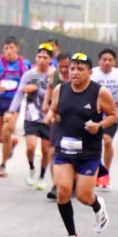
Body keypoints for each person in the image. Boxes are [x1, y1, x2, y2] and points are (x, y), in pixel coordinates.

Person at [44, 53, 117, 237]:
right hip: (64, 149)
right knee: (63, 191)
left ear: (89, 72)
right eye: (72, 68)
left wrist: (99, 125)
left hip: (88, 153)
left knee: (84, 196)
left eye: (80, 69)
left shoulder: (99, 92)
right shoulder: (61, 89)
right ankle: (72, 236)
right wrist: (50, 115)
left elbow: (112, 115)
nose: (74, 72)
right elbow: (53, 109)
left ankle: (97, 205)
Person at [0, 36, 31, 177]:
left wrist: (28, 89)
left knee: (6, 132)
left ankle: (3, 165)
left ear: (17, 48)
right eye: (6, 48)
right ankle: (12, 143)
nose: (9, 51)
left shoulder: (25, 64)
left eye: (11, 48)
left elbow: (33, 80)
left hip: (14, 103)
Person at [8, 43, 53, 190]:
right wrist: (11, 111)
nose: (42, 60)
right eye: (40, 57)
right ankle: (32, 167)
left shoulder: (53, 75)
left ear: (50, 60)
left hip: (48, 117)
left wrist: (37, 89)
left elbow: (55, 95)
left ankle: (42, 176)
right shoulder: (29, 74)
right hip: (31, 117)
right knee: (31, 146)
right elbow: (19, 93)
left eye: (45, 57)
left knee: (46, 150)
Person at [91, 48, 118, 189]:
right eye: (104, 59)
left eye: (110, 60)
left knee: (107, 141)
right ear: (99, 61)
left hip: (112, 115)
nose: (107, 62)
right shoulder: (92, 73)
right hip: (93, 116)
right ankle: (94, 172)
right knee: (93, 145)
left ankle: (105, 174)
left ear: (115, 62)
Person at [43, 52, 72, 200]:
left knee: (73, 152)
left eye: (67, 66)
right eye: (61, 66)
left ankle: (73, 181)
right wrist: (46, 105)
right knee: (53, 151)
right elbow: (49, 88)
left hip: (75, 122)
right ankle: (56, 185)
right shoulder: (54, 75)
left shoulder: (77, 76)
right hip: (58, 119)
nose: (65, 70)